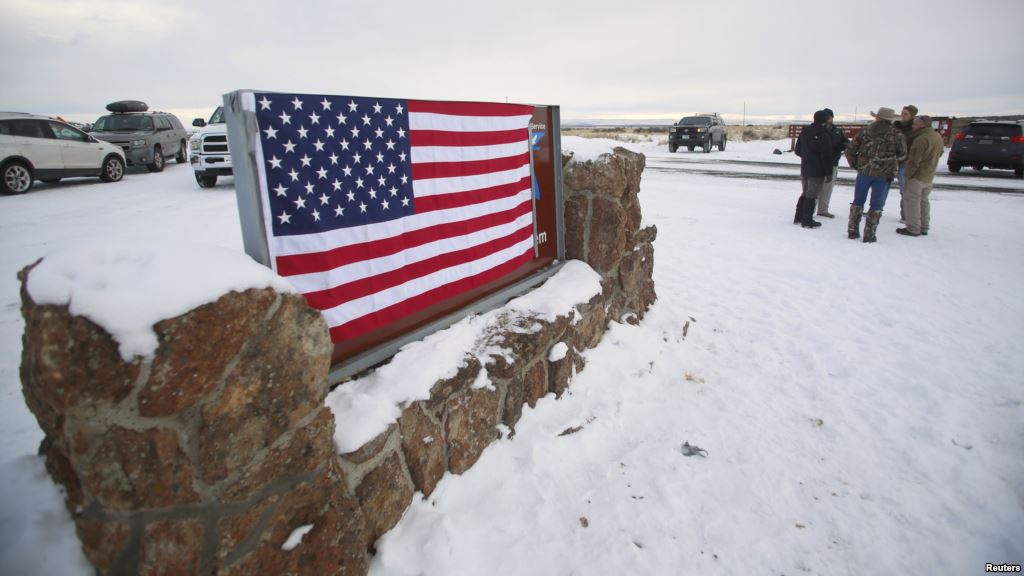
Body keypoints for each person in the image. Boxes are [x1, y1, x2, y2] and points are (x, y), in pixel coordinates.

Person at [844, 107, 907, 243]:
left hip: (864, 172)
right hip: (884, 175)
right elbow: (902, 155)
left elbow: (850, 149)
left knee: (858, 201)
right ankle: (870, 234)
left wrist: (857, 165)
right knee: (876, 204)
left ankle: (852, 230)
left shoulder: (865, 132)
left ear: (877, 118)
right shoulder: (897, 134)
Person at [897, 115, 944, 237]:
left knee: (913, 202)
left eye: (915, 123)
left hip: (917, 176)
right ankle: (924, 227)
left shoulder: (921, 139)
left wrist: (908, 176)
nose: (913, 125)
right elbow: (941, 152)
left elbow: (914, 161)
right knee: (924, 201)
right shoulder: (937, 136)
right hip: (928, 176)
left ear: (922, 124)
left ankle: (913, 228)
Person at [792, 110, 834, 229]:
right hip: (817, 170)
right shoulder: (823, 134)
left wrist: (807, 157)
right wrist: (828, 172)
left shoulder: (805, 132)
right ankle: (807, 220)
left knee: (805, 193)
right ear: (825, 120)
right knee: (812, 194)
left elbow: (797, 150)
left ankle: (799, 217)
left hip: (805, 167)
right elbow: (826, 155)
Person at [816, 108, 849, 218]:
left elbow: (846, 142)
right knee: (815, 187)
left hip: (833, 162)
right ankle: (810, 209)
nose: (828, 119)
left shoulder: (837, 131)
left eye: (829, 117)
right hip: (819, 163)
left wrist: (841, 146)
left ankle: (823, 210)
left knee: (828, 188)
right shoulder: (818, 130)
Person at [892, 105, 918, 220]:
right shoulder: (895, 127)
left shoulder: (915, 129)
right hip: (892, 160)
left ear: (912, 115)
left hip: (905, 162)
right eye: (902, 113)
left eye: (906, 113)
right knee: (882, 186)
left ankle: (905, 215)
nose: (903, 115)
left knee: (905, 189)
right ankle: (875, 210)